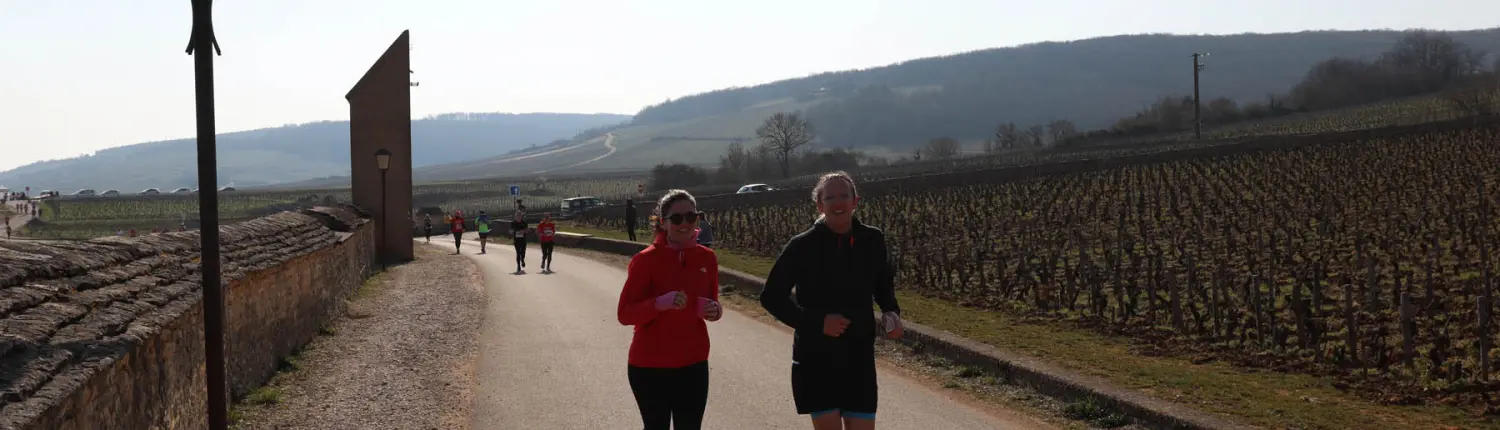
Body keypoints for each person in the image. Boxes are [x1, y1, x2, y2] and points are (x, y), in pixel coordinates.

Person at [759, 171, 903, 430]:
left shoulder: (872, 239)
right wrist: (817, 322)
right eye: (830, 197)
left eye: (844, 196)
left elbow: (883, 284)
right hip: (817, 359)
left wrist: (891, 312)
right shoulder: (801, 246)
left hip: (859, 356)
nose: (838, 203)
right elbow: (771, 296)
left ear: (855, 201)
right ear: (819, 205)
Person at [616, 189, 722, 430]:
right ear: (662, 222)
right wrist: (658, 304)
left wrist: (715, 311)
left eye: (691, 217)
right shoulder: (645, 260)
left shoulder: (707, 258)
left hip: (693, 363)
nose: (684, 224)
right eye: (676, 218)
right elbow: (625, 314)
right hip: (650, 366)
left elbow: (712, 302)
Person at [510, 207, 530, 273]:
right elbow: (511, 231)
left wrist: (523, 231)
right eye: (517, 216)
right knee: (518, 253)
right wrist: (514, 231)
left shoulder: (524, 223)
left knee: (523, 252)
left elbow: (527, 231)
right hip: (516, 240)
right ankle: (518, 266)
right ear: (515, 217)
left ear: (521, 216)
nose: (518, 217)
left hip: (523, 240)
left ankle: (522, 259)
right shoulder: (513, 223)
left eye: (520, 215)